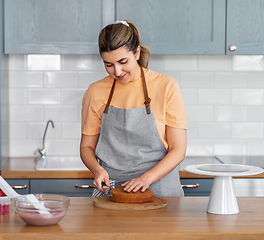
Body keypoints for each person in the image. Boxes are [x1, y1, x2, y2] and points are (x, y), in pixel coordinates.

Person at [80, 20, 187, 197]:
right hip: (113, 189)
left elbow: (178, 150)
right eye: (108, 65)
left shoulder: (166, 86)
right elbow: (86, 147)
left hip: (160, 187)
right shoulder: (95, 91)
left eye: (123, 61)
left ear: (136, 52)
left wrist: (146, 178)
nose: (117, 71)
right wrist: (98, 170)